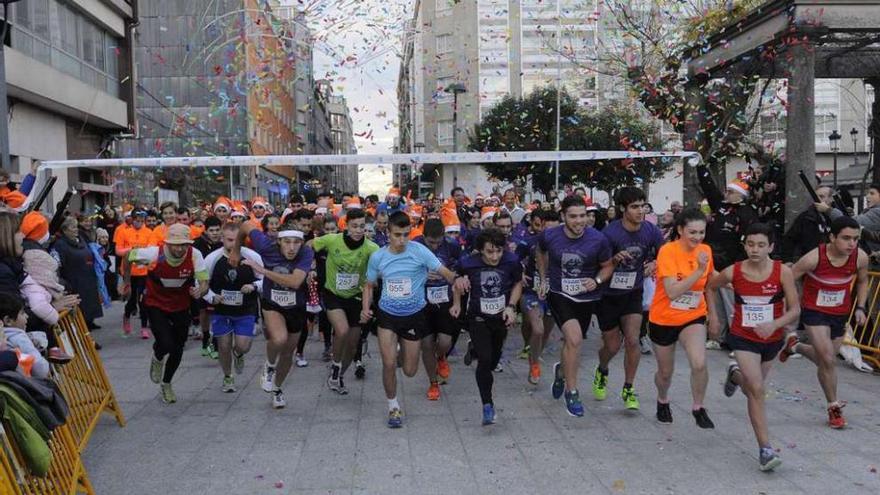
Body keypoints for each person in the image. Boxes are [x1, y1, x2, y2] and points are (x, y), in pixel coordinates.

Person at [708, 223, 800, 471]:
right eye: (750, 244)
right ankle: (765, 449)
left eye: (761, 245)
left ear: (771, 247)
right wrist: (714, 317)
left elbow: (795, 309)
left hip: (772, 340)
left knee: (752, 390)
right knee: (758, 390)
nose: (755, 250)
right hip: (743, 337)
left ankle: (735, 376)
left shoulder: (782, 272)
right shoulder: (733, 271)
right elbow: (710, 286)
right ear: (744, 245)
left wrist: (775, 324)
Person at [362, 211, 456, 427]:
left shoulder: (419, 251)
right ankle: (393, 407)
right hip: (387, 315)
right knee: (388, 363)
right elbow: (368, 285)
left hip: (414, 316)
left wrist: (456, 280)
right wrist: (365, 308)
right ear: (388, 233)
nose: (402, 240)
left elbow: (444, 271)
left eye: (406, 234)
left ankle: (400, 354)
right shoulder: (378, 256)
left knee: (410, 371)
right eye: (397, 235)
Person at [786, 216, 868, 429]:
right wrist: (792, 306)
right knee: (829, 360)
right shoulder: (813, 258)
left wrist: (860, 307)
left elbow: (863, 280)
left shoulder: (860, 257)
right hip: (814, 312)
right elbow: (788, 278)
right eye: (846, 238)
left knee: (826, 359)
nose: (851, 244)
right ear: (832, 237)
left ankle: (795, 346)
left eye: (855, 239)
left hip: (839, 314)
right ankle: (834, 407)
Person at [536, 195, 614, 417]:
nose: (579, 221)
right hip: (560, 294)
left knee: (572, 344)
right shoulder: (550, 235)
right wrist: (543, 278)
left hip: (586, 297)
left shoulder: (598, 239)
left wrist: (597, 280)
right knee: (574, 338)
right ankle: (572, 392)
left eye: (582, 216)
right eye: (573, 216)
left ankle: (562, 371)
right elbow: (540, 252)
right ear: (563, 216)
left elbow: (608, 266)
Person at [594, 187, 664, 411]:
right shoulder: (610, 234)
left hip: (633, 292)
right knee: (613, 346)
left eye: (642, 206)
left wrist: (655, 263)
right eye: (634, 207)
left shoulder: (651, 231)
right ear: (623, 208)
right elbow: (598, 264)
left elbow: (665, 254)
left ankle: (628, 387)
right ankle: (602, 369)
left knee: (633, 340)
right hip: (608, 295)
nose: (640, 211)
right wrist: (614, 260)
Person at [648, 208, 719, 428]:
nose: (698, 238)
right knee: (665, 373)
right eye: (692, 232)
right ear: (680, 230)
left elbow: (710, 284)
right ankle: (662, 399)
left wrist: (714, 315)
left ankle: (698, 407)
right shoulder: (667, 252)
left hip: (693, 315)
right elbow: (672, 291)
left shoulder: (705, 250)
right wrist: (698, 271)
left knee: (699, 363)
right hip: (664, 318)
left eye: (701, 232)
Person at [125, 224, 209, 403]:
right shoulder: (154, 253)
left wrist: (200, 291)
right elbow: (128, 256)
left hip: (180, 305)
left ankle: (167, 383)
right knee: (165, 343)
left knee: (178, 348)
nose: (179, 249)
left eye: (184, 245)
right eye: (175, 244)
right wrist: (125, 282)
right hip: (156, 303)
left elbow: (204, 282)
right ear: (167, 243)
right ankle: (157, 356)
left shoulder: (195, 255)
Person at [235, 220, 314, 409]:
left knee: (288, 353)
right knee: (279, 339)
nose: (292, 247)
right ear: (279, 241)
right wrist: (235, 250)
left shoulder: (306, 252)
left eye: (297, 242)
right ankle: (269, 366)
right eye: (287, 242)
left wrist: (263, 271)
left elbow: (295, 282)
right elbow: (245, 225)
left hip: (296, 307)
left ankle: (277, 389)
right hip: (273, 303)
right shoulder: (265, 245)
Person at [455, 228, 522, 425]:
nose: (495, 256)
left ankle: (475, 348)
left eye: (499, 251)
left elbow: (518, 283)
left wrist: (511, 307)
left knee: (493, 361)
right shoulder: (468, 263)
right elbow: (456, 281)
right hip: (477, 317)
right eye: (490, 252)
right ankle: (487, 404)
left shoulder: (511, 260)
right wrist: (457, 304)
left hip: (500, 317)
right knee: (485, 361)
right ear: (480, 251)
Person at [310, 208, 379, 395]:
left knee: (353, 345)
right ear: (346, 226)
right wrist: (308, 267)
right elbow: (309, 244)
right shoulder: (333, 240)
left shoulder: (372, 248)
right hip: (333, 294)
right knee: (342, 330)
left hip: (356, 297)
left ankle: (338, 375)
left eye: (362, 226)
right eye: (354, 226)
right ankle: (335, 364)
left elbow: (376, 276)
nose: (358, 230)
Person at [204, 223, 263, 394]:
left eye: (237, 240)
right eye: (229, 240)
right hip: (222, 310)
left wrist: (253, 286)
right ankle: (228, 376)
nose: (233, 244)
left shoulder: (252, 257)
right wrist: (211, 297)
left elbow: (265, 279)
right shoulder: (212, 259)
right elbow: (201, 283)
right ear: (222, 238)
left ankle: (238, 354)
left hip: (246, 309)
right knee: (223, 346)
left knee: (243, 346)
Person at [415, 218, 462, 396]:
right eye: (431, 242)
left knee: (444, 341)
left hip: (444, 299)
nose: (435, 246)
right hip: (422, 302)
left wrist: (457, 302)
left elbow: (458, 275)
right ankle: (433, 382)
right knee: (426, 344)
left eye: (438, 242)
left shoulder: (452, 246)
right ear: (423, 236)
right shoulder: (414, 246)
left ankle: (442, 357)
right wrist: (423, 276)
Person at [519, 209, 559, 384]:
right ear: (541, 227)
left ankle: (535, 357)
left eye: (555, 230)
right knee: (537, 329)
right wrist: (519, 274)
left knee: (545, 332)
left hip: (554, 295)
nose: (550, 234)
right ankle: (534, 363)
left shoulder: (565, 245)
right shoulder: (530, 243)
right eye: (547, 230)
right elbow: (512, 260)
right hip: (531, 292)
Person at [51, 217, 103, 330]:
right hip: (74, 279)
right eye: (72, 227)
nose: (76, 230)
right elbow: (58, 265)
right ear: (65, 230)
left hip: (87, 276)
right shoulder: (60, 245)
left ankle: (90, 322)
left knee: (90, 302)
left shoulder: (80, 239)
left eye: (76, 227)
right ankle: (86, 332)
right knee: (81, 307)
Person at [116, 209, 155, 338]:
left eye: (141, 221)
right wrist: (132, 249)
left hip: (144, 271)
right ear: (132, 219)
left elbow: (151, 249)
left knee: (143, 300)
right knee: (132, 300)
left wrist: (143, 252)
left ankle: (144, 327)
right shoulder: (123, 231)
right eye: (137, 220)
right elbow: (118, 251)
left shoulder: (149, 232)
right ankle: (126, 317)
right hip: (129, 272)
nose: (139, 223)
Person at [193, 216, 223, 357]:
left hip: (218, 282)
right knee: (204, 311)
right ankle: (205, 336)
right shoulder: (197, 244)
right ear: (206, 230)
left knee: (217, 312)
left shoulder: (223, 244)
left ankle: (216, 342)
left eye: (217, 230)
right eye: (212, 230)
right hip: (201, 281)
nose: (215, 233)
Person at [782, 185, 834, 262]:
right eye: (815, 197)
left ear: (831, 199)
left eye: (822, 197)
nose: (818, 200)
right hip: (810, 260)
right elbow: (789, 239)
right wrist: (788, 260)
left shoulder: (835, 217)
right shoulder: (805, 217)